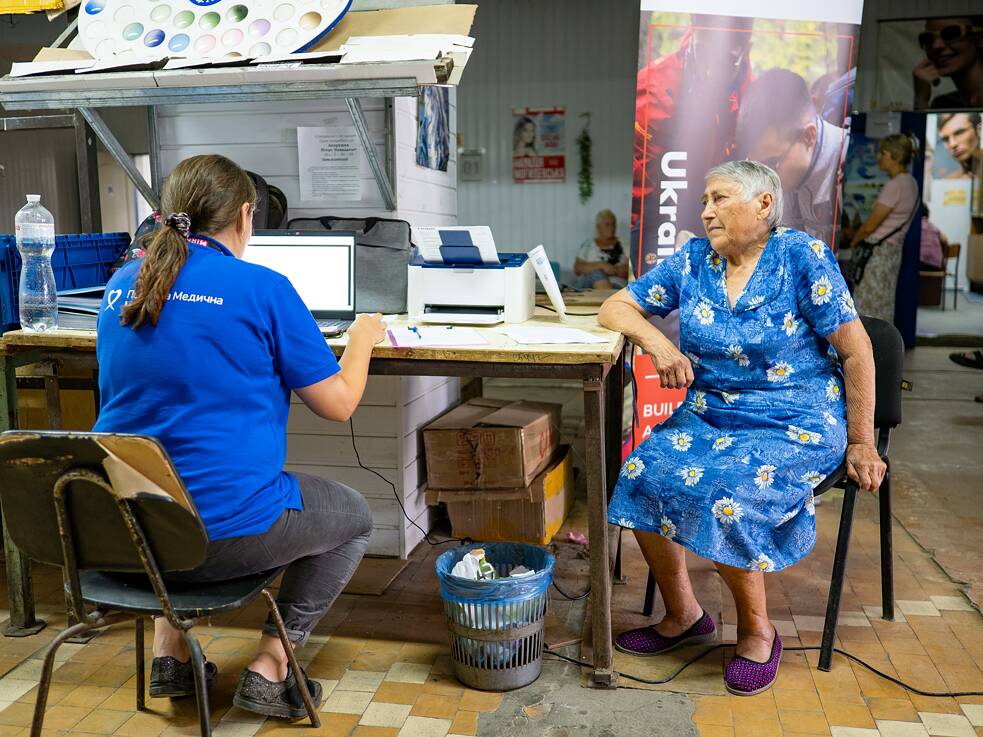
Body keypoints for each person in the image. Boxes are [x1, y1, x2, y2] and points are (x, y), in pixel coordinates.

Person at [93, 155, 387, 719]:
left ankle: (169, 654)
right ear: (247, 216)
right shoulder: (263, 288)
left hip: (123, 532)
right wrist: (363, 338)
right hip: (218, 540)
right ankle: (271, 667)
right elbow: (339, 404)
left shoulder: (121, 285)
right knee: (352, 517)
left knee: (163, 474)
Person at [599, 160, 884, 696]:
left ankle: (758, 632)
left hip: (794, 416)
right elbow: (615, 307)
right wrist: (659, 343)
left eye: (720, 199)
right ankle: (684, 615)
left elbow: (857, 350)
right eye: (705, 200)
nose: (706, 211)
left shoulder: (803, 256)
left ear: (763, 204)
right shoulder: (693, 260)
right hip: (712, 412)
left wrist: (863, 440)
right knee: (641, 472)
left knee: (725, 493)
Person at [632, 14, 754, 242]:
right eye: (704, 55)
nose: (711, 72)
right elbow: (638, 189)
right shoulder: (654, 91)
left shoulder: (754, 97)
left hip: (722, 207)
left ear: (747, 48)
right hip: (664, 204)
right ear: (694, 30)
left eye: (726, 61)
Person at [737, 69, 848, 249]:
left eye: (772, 163)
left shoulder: (850, 160)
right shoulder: (785, 181)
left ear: (808, 136)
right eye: (754, 165)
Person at [849, 133, 920, 323]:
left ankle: (868, 350)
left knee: (867, 306)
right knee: (883, 304)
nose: (878, 157)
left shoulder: (895, 185)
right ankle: (884, 349)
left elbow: (870, 226)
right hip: (892, 252)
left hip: (876, 254)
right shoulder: (911, 183)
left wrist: (855, 242)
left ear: (895, 156)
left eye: (883, 153)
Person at [912, 16, 983, 109]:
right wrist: (920, 100)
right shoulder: (944, 104)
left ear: (979, 39)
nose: (936, 46)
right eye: (928, 39)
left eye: (951, 34)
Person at [572, 209, 630, 289]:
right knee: (597, 274)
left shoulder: (624, 243)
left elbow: (632, 269)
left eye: (613, 224)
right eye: (607, 224)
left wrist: (613, 270)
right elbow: (578, 268)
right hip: (588, 285)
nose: (612, 227)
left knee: (598, 275)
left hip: (615, 285)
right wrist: (601, 266)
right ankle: (609, 300)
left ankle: (607, 297)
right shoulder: (588, 244)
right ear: (598, 227)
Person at [937, 112, 981, 179]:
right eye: (945, 139)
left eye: (959, 133)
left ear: (979, 130)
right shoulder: (949, 181)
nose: (952, 144)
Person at [919, 204, 948, 271]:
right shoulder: (933, 227)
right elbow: (945, 239)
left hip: (921, 267)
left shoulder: (915, 227)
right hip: (937, 267)